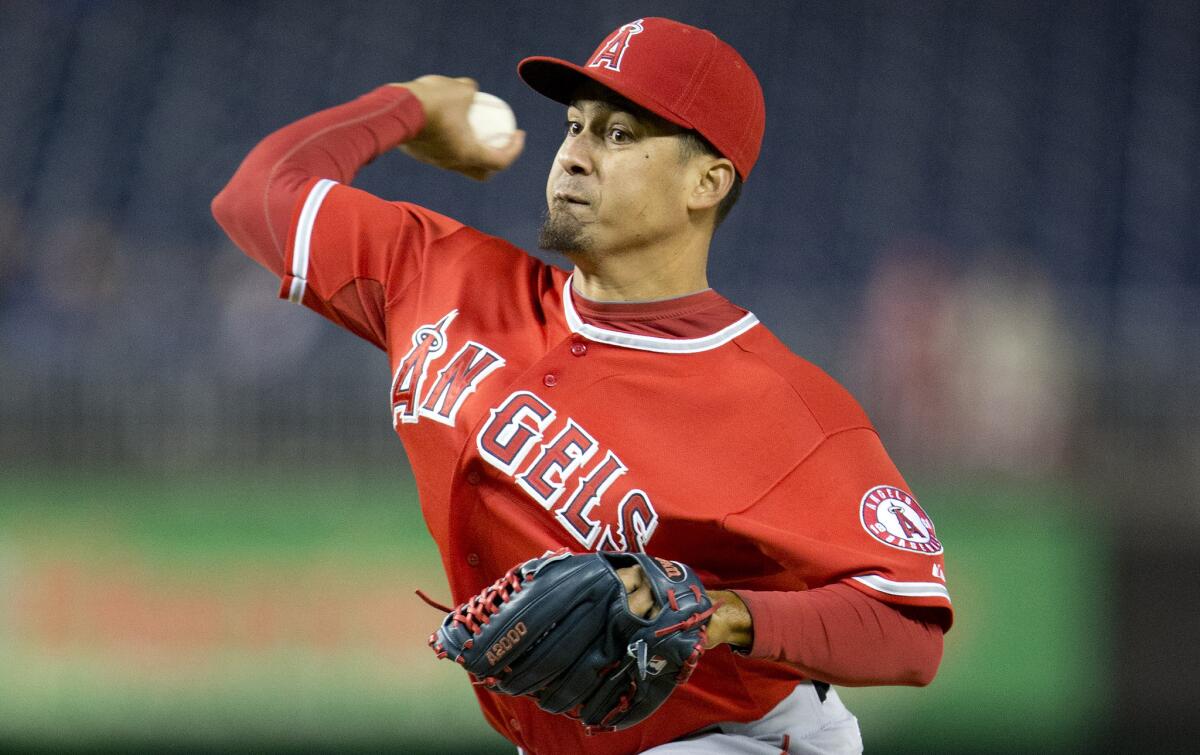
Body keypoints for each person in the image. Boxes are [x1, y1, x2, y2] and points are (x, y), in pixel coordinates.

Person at [212, 17, 951, 755]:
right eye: (574, 125)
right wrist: (408, 106)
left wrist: (722, 613)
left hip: (735, 740)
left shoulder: (784, 405)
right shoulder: (442, 277)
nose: (574, 155)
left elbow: (909, 633)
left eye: (619, 135)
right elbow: (256, 197)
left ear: (707, 181)